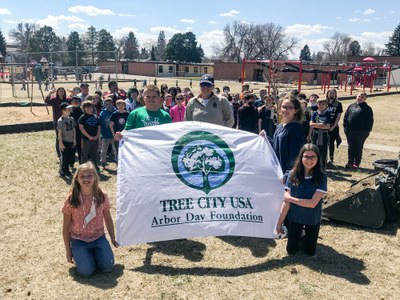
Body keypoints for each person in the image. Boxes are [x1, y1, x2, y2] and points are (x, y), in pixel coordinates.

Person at [62, 162, 118, 277]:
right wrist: (68, 251)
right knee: (86, 272)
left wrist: (112, 237)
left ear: (95, 178)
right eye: (82, 176)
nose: (86, 179)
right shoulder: (71, 198)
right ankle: (82, 254)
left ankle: (95, 254)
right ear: (77, 179)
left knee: (108, 267)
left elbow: (107, 218)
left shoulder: (102, 196)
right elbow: (66, 226)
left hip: (98, 237)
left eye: (89, 176)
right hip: (79, 240)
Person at [275, 143, 327, 256]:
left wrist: (291, 199)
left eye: (313, 157)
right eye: (306, 156)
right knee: (291, 251)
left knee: (310, 252)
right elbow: (286, 203)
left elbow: (313, 204)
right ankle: (300, 234)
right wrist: (279, 224)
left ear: (318, 158)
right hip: (295, 218)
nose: (309, 160)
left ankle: (305, 236)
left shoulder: (322, 176)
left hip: (312, 218)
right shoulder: (292, 174)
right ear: (301, 157)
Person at [266, 95, 304, 176]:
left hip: (286, 174)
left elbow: (295, 155)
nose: (286, 110)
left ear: (296, 110)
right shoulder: (280, 126)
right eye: (284, 107)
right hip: (277, 171)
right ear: (280, 109)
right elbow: (276, 146)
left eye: (290, 107)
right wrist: (265, 138)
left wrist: (288, 174)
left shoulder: (295, 129)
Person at [343, 92, 374, 169]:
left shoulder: (367, 108)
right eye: (359, 96)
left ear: (365, 99)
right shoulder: (351, 106)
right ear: (356, 97)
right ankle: (350, 162)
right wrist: (345, 127)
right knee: (350, 147)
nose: (360, 98)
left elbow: (370, 121)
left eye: (362, 97)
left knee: (358, 147)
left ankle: (356, 163)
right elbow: (346, 117)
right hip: (350, 130)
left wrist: (367, 131)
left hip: (361, 132)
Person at [44, 87, 68, 158]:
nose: (61, 92)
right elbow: (46, 101)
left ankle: (65, 151)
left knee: (66, 136)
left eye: (62, 91)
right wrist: (50, 94)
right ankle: (59, 153)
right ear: (57, 92)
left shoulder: (66, 100)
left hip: (66, 120)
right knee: (59, 137)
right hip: (57, 121)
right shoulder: (54, 100)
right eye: (59, 91)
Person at [309, 98, 332, 170]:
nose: (321, 106)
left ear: (326, 105)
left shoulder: (327, 114)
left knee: (323, 152)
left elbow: (327, 126)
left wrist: (317, 125)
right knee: (314, 150)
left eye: (323, 104)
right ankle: (314, 167)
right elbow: (311, 124)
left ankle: (322, 168)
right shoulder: (314, 113)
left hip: (323, 135)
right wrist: (321, 124)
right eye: (319, 104)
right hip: (315, 134)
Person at [78, 101, 101, 170]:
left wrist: (97, 136)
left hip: (95, 139)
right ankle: (83, 168)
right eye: (87, 107)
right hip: (86, 139)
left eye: (90, 107)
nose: (89, 108)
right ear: (84, 108)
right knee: (85, 154)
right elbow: (81, 128)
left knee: (94, 154)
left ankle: (95, 167)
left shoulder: (95, 116)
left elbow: (99, 127)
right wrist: (88, 136)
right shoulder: (82, 117)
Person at [57, 102, 76, 178]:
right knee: (65, 158)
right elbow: (59, 133)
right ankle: (64, 171)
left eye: (69, 109)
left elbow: (73, 130)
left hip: (71, 141)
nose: (69, 110)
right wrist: (61, 143)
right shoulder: (60, 120)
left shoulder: (71, 118)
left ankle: (65, 170)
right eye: (68, 109)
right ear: (63, 110)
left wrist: (74, 140)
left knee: (71, 157)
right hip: (65, 142)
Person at [325, 89, 343, 167]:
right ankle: (323, 159)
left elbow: (338, 116)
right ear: (327, 94)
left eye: (333, 93)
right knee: (323, 143)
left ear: (335, 94)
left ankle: (331, 159)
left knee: (331, 143)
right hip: (324, 126)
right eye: (330, 93)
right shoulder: (324, 103)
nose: (331, 94)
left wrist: (334, 126)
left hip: (333, 126)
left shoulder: (338, 104)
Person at [99, 98, 117, 168]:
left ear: (112, 103)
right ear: (104, 104)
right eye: (106, 104)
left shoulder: (116, 112)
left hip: (114, 134)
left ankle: (118, 162)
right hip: (105, 134)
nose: (108, 105)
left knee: (116, 149)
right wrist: (102, 132)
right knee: (104, 150)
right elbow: (100, 124)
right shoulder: (102, 113)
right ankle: (103, 162)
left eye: (109, 103)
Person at [69, 96, 84, 165]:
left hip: (79, 133)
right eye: (74, 101)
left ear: (80, 103)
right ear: (71, 102)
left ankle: (81, 163)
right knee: (72, 149)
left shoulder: (82, 112)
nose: (75, 103)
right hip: (70, 132)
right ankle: (71, 163)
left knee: (80, 149)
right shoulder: (69, 111)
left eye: (77, 102)